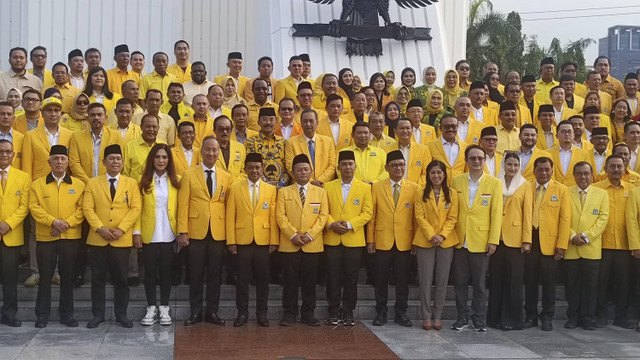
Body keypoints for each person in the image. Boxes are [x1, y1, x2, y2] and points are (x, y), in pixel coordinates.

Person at [83, 144, 142, 328]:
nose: (115, 162)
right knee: (97, 279)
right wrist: (100, 228)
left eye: (119, 159)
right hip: (98, 239)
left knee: (121, 280)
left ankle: (121, 314)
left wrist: (122, 229)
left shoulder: (131, 183)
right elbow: (87, 208)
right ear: (104, 162)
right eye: (111, 158)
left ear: (123, 163)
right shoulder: (93, 183)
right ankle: (98, 315)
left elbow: (136, 208)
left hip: (120, 239)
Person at [178, 136, 233, 326]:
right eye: (208, 150)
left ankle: (212, 312)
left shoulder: (226, 176)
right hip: (196, 231)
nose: (211, 153)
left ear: (219, 153)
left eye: (215, 150)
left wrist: (230, 236)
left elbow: (228, 207)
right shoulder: (189, 174)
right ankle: (195, 312)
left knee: (215, 274)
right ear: (201, 152)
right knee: (196, 273)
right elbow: (183, 204)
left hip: (218, 232)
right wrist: (182, 231)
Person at [30, 145, 84, 328]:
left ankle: (67, 314)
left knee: (67, 277)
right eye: (56, 158)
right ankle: (42, 315)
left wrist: (65, 224)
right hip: (46, 237)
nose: (59, 162)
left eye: (63, 158)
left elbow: (82, 209)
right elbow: (34, 208)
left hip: (70, 237)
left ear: (68, 162)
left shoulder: (78, 185)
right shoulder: (37, 184)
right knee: (45, 277)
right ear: (49, 161)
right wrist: (53, 222)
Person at [449, 145, 502, 332]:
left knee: (480, 284)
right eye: (473, 158)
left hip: (481, 239)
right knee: (460, 282)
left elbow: (496, 214)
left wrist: (493, 240)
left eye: (480, 158)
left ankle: (479, 319)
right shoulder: (457, 181)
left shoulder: (494, 183)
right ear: (466, 161)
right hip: (459, 240)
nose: (477, 161)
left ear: (485, 160)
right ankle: (461, 317)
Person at [225, 153, 278, 327]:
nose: (254, 170)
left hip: (263, 241)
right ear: (245, 169)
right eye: (250, 167)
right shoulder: (235, 188)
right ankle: (242, 313)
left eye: (257, 167)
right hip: (242, 240)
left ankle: (262, 314)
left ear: (262, 168)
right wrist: (231, 241)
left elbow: (272, 217)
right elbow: (230, 216)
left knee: (263, 279)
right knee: (242, 280)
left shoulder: (270, 189)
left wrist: (274, 240)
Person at [276, 154, 329, 327]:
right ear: (293, 172)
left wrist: (310, 235)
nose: (303, 172)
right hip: (290, 243)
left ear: (311, 171)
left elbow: (323, 216)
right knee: (289, 281)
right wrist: (293, 235)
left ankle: (308, 313)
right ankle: (289, 313)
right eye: (299, 169)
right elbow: (280, 216)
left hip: (312, 244)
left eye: (306, 169)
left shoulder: (321, 192)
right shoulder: (284, 192)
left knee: (309, 281)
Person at [368, 150, 419, 327]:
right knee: (380, 279)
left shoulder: (414, 188)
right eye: (394, 165)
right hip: (382, 239)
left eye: (401, 165)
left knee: (402, 280)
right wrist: (370, 239)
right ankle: (381, 312)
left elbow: (416, 217)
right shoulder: (377, 187)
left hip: (405, 241)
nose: (399, 168)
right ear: (386, 168)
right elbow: (372, 215)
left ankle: (401, 313)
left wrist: (415, 241)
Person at [323, 150, 372, 326]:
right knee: (333, 276)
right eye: (344, 164)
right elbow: (324, 211)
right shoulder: (328, 187)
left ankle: (348, 311)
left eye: (351, 164)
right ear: (338, 167)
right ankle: (333, 310)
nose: (348, 167)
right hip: (332, 238)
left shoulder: (365, 188)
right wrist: (332, 224)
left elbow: (367, 212)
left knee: (351, 277)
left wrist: (349, 225)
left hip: (353, 239)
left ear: (355, 166)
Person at [523, 157, 571, 331]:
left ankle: (548, 316)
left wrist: (562, 245)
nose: (543, 173)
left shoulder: (561, 190)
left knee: (549, 282)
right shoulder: (526, 187)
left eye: (547, 170)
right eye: (540, 170)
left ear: (552, 171)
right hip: (531, 239)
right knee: (530, 281)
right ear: (534, 171)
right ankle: (530, 316)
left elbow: (565, 219)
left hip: (551, 242)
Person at [135, 144, 179, 326]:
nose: (161, 160)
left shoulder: (177, 181)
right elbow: (137, 210)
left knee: (166, 272)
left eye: (165, 157)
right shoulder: (141, 180)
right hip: (149, 233)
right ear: (151, 159)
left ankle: (165, 308)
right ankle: (151, 307)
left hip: (169, 233)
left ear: (169, 160)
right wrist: (136, 232)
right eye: (157, 157)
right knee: (150, 272)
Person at [413, 160, 459, 331]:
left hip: (446, 242)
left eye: (439, 172)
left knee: (442, 279)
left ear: (444, 174)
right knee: (425, 280)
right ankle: (426, 316)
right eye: (433, 173)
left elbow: (453, 218)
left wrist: (442, 235)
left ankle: (437, 316)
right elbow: (419, 216)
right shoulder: (420, 193)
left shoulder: (453, 194)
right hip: (425, 241)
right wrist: (432, 235)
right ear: (428, 175)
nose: (436, 176)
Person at [487, 152, 530, 330]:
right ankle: (494, 319)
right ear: (503, 165)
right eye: (509, 164)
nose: (512, 168)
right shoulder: (495, 182)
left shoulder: (524, 185)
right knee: (496, 280)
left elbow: (527, 213)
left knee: (514, 281)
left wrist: (527, 240)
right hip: (497, 238)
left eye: (515, 165)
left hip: (515, 239)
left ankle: (513, 320)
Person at [564, 161, 609, 330]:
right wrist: (572, 235)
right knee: (572, 285)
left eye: (586, 173)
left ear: (592, 175)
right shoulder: (565, 192)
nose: (583, 177)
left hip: (592, 248)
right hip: (571, 247)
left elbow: (603, 218)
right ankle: (573, 317)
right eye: (580, 174)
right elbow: (562, 217)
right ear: (574, 175)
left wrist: (586, 236)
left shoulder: (602, 194)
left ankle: (588, 317)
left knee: (590, 286)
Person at [593, 155, 635, 329]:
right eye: (612, 166)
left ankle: (621, 316)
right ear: (606, 169)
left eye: (619, 166)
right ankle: (600, 315)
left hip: (625, 244)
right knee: (601, 282)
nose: (616, 169)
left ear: (624, 168)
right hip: (602, 244)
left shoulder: (632, 189)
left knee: (623, 283)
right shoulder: (596, 189)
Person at [0, 140, 31, 327]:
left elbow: (24, 206)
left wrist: (8, 224)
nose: (4, 155)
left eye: (8, 152)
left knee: (10, 277)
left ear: (13, 155)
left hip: (11, 234)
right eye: (1, 151)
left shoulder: (23, 177)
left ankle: (9, 313)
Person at [69, 103, 124, 184]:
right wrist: (89, 182)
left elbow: (120, 161)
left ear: (106, 118)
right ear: (87, 118)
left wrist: (104, 181)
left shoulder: (115, 136)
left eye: (99, 115)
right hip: (83, 184)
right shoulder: (76, 136)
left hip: (107, 184)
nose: (96, 117)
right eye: (93, 115)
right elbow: (74, 163)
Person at [285, 108, 336, 185]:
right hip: (300, 186)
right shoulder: (291, 142)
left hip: (323, 185)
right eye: (305, 121)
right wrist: (311, 181)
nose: (308, 124)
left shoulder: (328, 141)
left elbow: (332, 166)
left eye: (311, 121)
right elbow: (290, 166)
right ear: (301, 123)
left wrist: (320, 181)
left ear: (317, 123)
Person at [246, 107, 289, 187]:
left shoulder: (284, 142)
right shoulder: (251, 142)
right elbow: (251, 167)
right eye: (264, 119)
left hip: (282, 188)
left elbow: (288, 167)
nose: (268, 122)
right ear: (258, 122)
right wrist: (267, 186)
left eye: (271, 119)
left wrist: (282, 184)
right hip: (259, 187)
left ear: (276, 122)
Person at [382, 118, 431, 187]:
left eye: (408, 128)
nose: (405, 131)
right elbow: (384, 171)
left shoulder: (423, 149)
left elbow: (426, 173)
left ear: (412, 130)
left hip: (416, 190)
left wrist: (415, 187)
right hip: (392, 188)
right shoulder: (386, 150)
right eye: (401, 128)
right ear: (395, 130)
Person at [426, 114, 468, 186]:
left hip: (460, 187)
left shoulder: (465, 147)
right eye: (447, 126)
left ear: (457, 127)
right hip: (438, 188)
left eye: (453, 126)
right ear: (440, 128)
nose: (450, 129)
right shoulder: (429, 146)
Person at [548, 120, 591, 186]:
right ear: (556, 135)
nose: (567, 134)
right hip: (554, 190)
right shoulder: (547, 153)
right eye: (563, 132)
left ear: (573, 135)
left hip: (575, 190)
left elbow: (588, 175)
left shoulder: (584, 154)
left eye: (569, 132)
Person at [214, 115, 246, 182]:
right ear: (214, 130)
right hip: (216, 186)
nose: (225, 132)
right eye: (221, 129)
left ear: (231, 130)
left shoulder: (240, 148)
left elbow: (244, 170)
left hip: (236, 187)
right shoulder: (208, 148)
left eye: (228, 129)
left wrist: (234, 185)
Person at [0, 101, 24, 169]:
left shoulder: (22, 138)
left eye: (9, 114)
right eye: (2, 114)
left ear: (14, 118)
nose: (6, 117)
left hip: (15, 177)